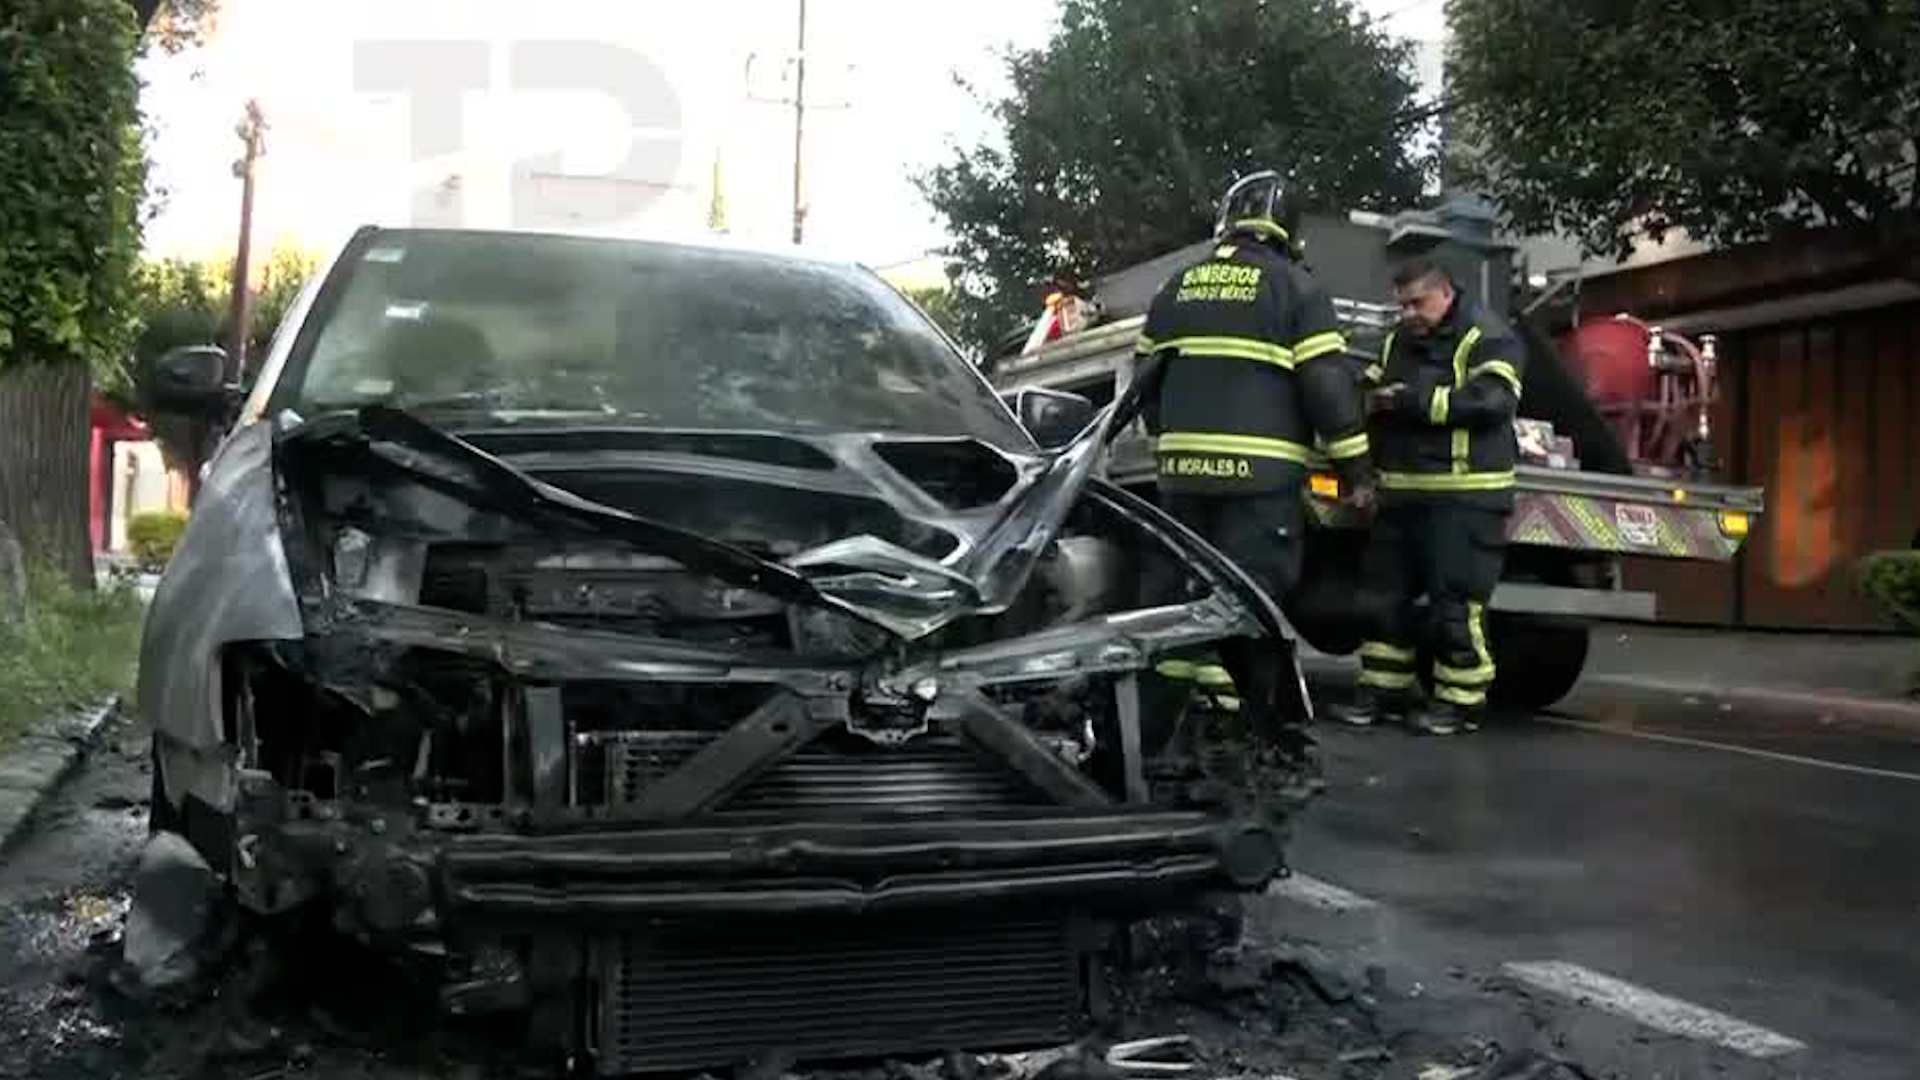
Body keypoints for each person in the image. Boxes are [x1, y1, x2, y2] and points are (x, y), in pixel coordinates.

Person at [1131, 169, 1377, 761]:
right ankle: (1263, 743)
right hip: (1259, 485)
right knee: (1253, 602)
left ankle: (1144, 744)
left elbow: (1146, 386)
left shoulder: (1178, 286)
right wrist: (1357, 469)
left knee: (1179, 607)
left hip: (1182, 481)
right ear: (1288, 229)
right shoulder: (1295, 287)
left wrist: (1177, 446)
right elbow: (1327, 387)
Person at [1336, 259, 1527, 735]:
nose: (1407, 315)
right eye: (1401, 306)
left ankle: (1461, 702)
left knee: (1454, 605)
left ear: (1445, 293)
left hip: (1465, 497)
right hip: (1400, 495)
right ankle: (1382, 691)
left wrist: (1412, 402)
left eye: (1417, 304)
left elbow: (1493, 402)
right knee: (1382, 601)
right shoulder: (1399, 340)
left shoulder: (1488, 335)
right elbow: (1372, 384)